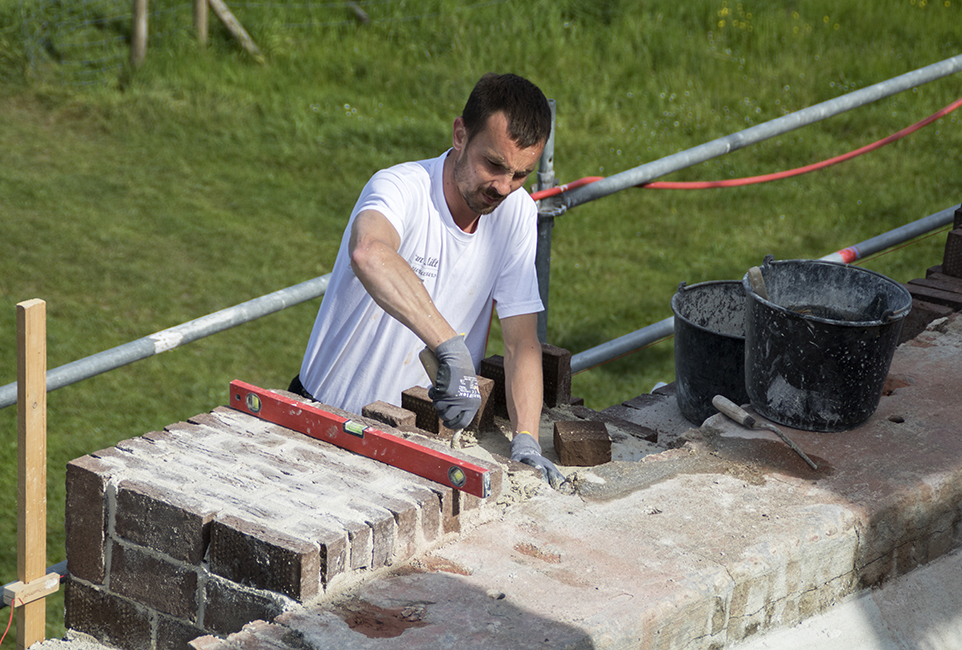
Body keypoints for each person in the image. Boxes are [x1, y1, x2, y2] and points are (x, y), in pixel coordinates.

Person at [291, 73, 564, 487]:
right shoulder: (401, 188)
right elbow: (369, 252)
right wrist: (449, 346)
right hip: (324, 422)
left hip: (423, 445)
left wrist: (526, 440)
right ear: (460, 134)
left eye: (521, 174)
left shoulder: (517, 214)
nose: (503, 187)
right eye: (493, 165)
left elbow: (520, 342)